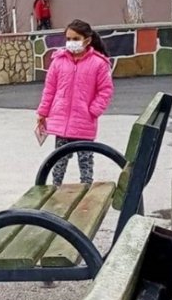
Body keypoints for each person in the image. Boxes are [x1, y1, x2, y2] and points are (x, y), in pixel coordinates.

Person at [36, 19, 114, 186]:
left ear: (87, 40)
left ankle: (86, 190)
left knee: (85, 162)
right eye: (69, 39)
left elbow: (105, 90)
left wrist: (93, 110)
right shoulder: (58, 61)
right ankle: (54, 189)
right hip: (61, 122)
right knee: (59, 161)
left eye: (76, 38)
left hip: (84, 122)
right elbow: (49, 89)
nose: (71, 42)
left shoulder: (99, 63)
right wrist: (43, 112)